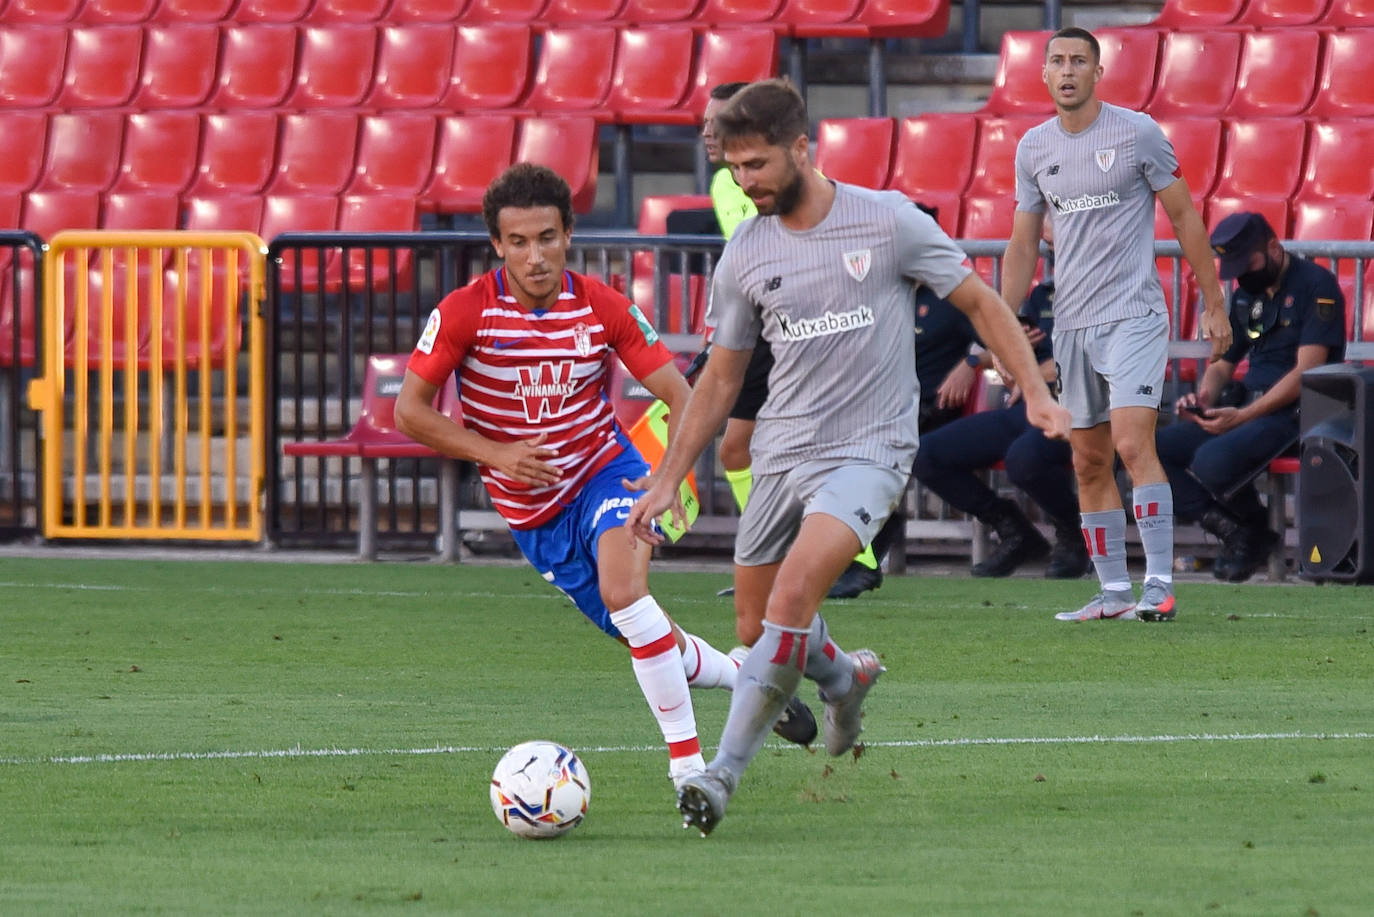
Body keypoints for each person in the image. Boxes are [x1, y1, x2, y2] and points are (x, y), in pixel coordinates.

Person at [625, 79, 1070, 836]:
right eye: (735, 169)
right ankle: (845, 675)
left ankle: (720, 777)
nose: (747, 181)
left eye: (759, 163)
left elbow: (980, 303)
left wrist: (1031, 389)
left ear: (803, 147)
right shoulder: (746, 253)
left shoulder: (887, 219)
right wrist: (669, 477)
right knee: (753, 626)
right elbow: (722, 379)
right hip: (781, 453)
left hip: (871, 449)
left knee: (794, 595)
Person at [392, 163, 769, 807]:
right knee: (644, 633)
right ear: (497, 245)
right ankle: (747, 678)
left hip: (605, 473)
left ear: (569, 232)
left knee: (627, 594)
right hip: (534, 516)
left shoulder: (602, 305)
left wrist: (667, 477)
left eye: (546, 237)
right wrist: (497, 454)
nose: (534, 257)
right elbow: (410, 411)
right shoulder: (463, 313)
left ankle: (690, 771)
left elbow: (680, 394)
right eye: (518, 242)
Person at [1001, 26, 1232, 623]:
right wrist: (1003, 330)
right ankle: (1112, 594)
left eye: (1080, 60)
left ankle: (1159, 584)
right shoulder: (1032, 148)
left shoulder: (1136, 133)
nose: (1069, 69)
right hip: (1072, 324)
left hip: (1133, 314)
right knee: (1088, 461)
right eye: (1058, 61)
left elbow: (1184, 216)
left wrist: (1213, 304)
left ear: (1098, 73)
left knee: (1132, 444)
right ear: (1044, 74)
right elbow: (1023, 244)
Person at [1158, 212, 1346, 581]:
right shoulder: (1248, 294)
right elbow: (1224, 360)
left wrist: (1243, 416)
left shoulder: (1316, 285)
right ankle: (1243, 532)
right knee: (1147, 449)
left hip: (1295, 413)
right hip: (1246, 408)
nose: (1244, 273)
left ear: (1273, 247)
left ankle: (1251, 528)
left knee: (1211, 461)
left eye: (1249, 262)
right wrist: (1205, 398)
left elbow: (1307, 372)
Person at [911, 254, 1092, 579]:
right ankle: (1014, 531)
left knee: (1023, 458)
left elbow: (1089, 359)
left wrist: (1030, 376)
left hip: (1084, 410)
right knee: (926, 455)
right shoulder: (1043, 295)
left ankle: (1073, 535)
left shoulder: (1106, 296)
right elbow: (1015, 348)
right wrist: (979, 361)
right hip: (1031, 406)